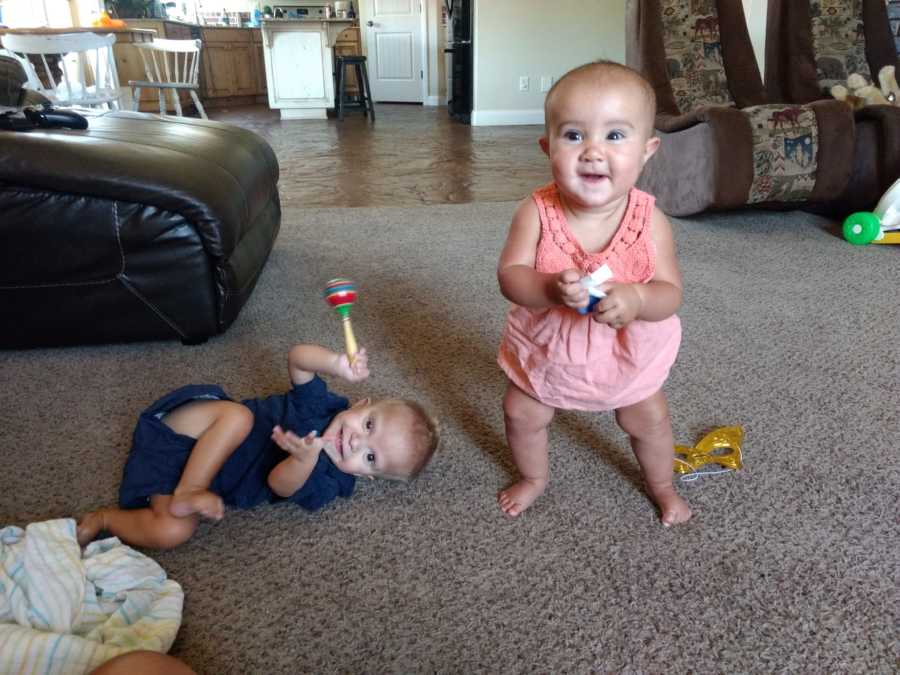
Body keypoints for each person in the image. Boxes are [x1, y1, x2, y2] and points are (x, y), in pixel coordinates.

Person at [495, 60, 691, 525]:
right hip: (550, 347)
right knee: (521, 411)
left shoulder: (650, 222)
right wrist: (546, 286)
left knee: (647, 420)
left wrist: (639, 299)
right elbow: (509, 275)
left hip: (626, 351)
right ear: (547, 147)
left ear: (647, 151)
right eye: (574, 135)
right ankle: (534, 477)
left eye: (616, 136)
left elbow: (670, 293)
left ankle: (662, 485)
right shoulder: (535, 211)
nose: (593, 152)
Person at [77, 343, 439, 550]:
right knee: (238, 418)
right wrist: (335, 364)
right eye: (369, 424)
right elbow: (297, 358)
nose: (357, 441)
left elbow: (280, 483)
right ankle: (190, 489)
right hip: (185, 431)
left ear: (367, 477)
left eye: (370, 457)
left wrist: (304, 460)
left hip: (171, 475)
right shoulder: (321, 406)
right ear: (359, 405)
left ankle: (106, 518)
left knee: (173, 532)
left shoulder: (330, 483)